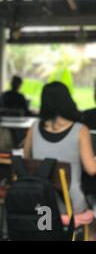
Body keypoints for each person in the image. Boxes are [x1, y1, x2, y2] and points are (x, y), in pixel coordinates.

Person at [24, 82, 96, 214]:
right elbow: (91, 169)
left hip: (41, 203)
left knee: (47, 224)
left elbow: (26, 158)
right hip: (71, 205)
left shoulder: (34, 127)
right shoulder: (80, 130)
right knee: (91, 223)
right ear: (67, 100)